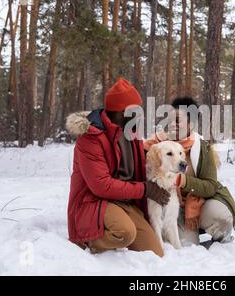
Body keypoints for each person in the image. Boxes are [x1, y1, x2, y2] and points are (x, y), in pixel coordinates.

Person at [66, 77, 169, 257]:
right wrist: (145, 190)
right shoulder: (91, 137)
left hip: (125, 201)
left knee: (155, 252)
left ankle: (115, 229)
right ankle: (87, 241)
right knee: (125, 233)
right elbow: (101, 186)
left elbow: (140, 165)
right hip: (94, 202)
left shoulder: (131, 131)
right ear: (121, 111)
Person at [144, 97, 235, 248]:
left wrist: (183, 181)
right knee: (186, 244)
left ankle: (219, 236)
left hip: (197, 203)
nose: (172, 124)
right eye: (170, 120)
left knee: (221, 217)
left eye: (177, 121)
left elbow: (211, 186)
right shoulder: (156, 146)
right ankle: (185, 231)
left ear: (190, 124)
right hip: (168, 206)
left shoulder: (203, 148)